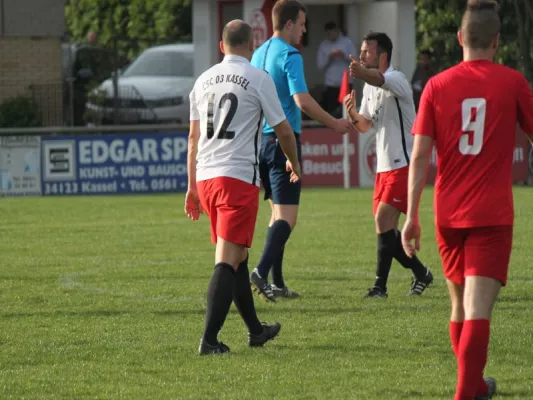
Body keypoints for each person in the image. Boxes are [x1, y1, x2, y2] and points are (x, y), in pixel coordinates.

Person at [401, 1, 533, 398]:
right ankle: (465, 391)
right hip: (490, 213)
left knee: (459, 305)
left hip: (447, 212)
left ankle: (474, 384)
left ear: (460, 38)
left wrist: (411, 217)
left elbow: (420, 156)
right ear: (497, 41)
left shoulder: (436, 86)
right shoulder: (512, 82)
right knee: (478, 310)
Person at [185, 19, 302, 355]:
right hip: (236, 179)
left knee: (238, 258)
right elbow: (283, 130)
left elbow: (193, 138)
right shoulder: (257, 77)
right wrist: (292, 160)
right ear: (252, 46)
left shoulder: (202, 80)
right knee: (226, 259)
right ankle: (209, 340)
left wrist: (192, 187)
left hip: (207, 178)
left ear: (221, 46)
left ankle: (255, 330)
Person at [249, 0, 357, 302]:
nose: (304, 29)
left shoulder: (258, 54)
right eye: (301, 23)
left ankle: (278, 283)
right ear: (288, 25)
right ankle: (260, 272)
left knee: (276, 215)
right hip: (284, 141)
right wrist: (334, 122)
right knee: (288, 219)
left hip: (261, 142)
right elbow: (302, 101)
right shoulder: (289, 54)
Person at [343, 31, 433, 298]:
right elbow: (366, 125)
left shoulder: (397, 79)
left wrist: (360, 72)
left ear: (382, 55)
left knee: (384, 221)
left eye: (366, 52)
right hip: (384, 168)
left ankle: (380, 288)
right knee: (386, 231)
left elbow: (379, 78)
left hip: (403, 164)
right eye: (361, 51)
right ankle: (421, 274)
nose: (361, 56)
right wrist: (352, 113)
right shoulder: (370, 86)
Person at [316, 21, 356, 116]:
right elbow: (320, 66)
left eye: (332, 33)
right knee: (330, 110)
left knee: (346, 110)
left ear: (337, 31)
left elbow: (355, 60)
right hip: (331, 83)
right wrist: (329, 58)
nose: (330, 36)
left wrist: (343, 56)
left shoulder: (347, 42)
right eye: (328, 34)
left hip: (346, 82)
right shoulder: (324, 45)